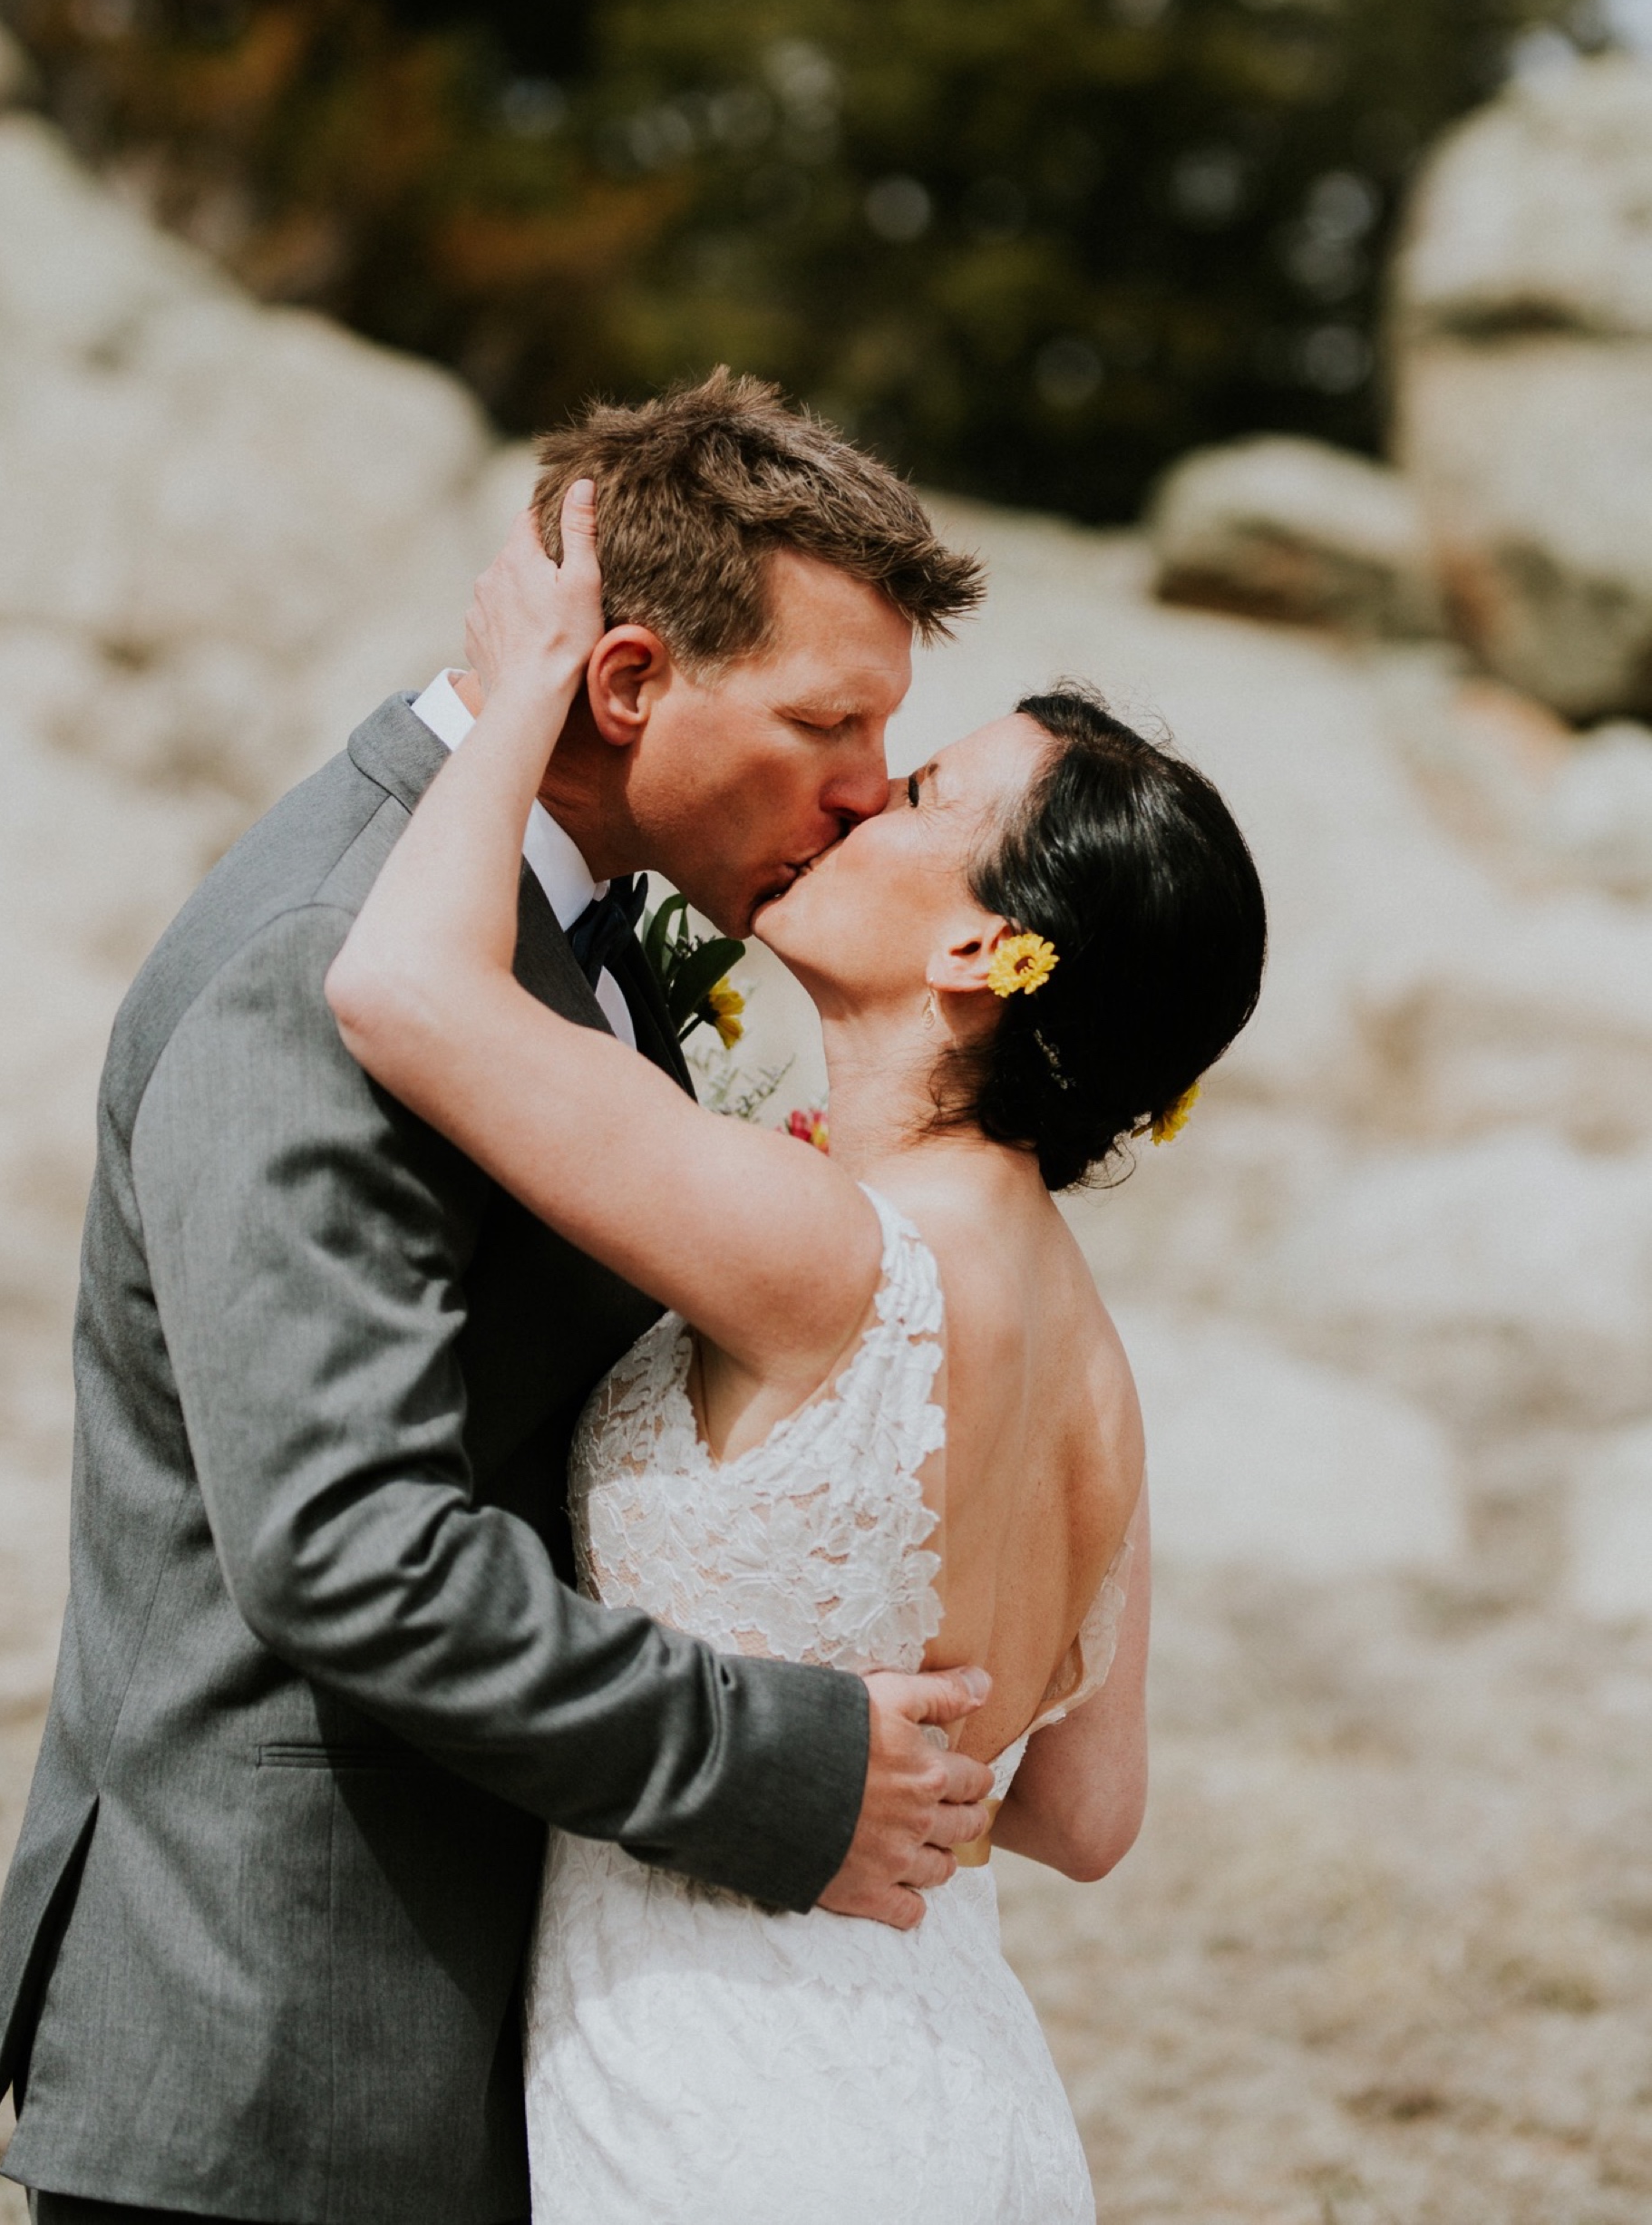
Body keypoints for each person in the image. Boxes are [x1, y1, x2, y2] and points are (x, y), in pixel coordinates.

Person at [0, 374, 998, 2225]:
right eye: (825, 723)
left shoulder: (553, 924)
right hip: (279, 2050)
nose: (864, 791)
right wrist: (782, 1765)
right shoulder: (318, 966)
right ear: (621, 687)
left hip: (448, 2015)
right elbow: (344, 1546)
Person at [326, 469, 1268, 2223]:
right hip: (964, 2087)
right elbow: (1084, 1809)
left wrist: (529, 681)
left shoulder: (832, 1247)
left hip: (732, 2098)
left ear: (985, 946)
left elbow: (399, 989)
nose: (851, 800)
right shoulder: (1097, 1358)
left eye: (914, 792)